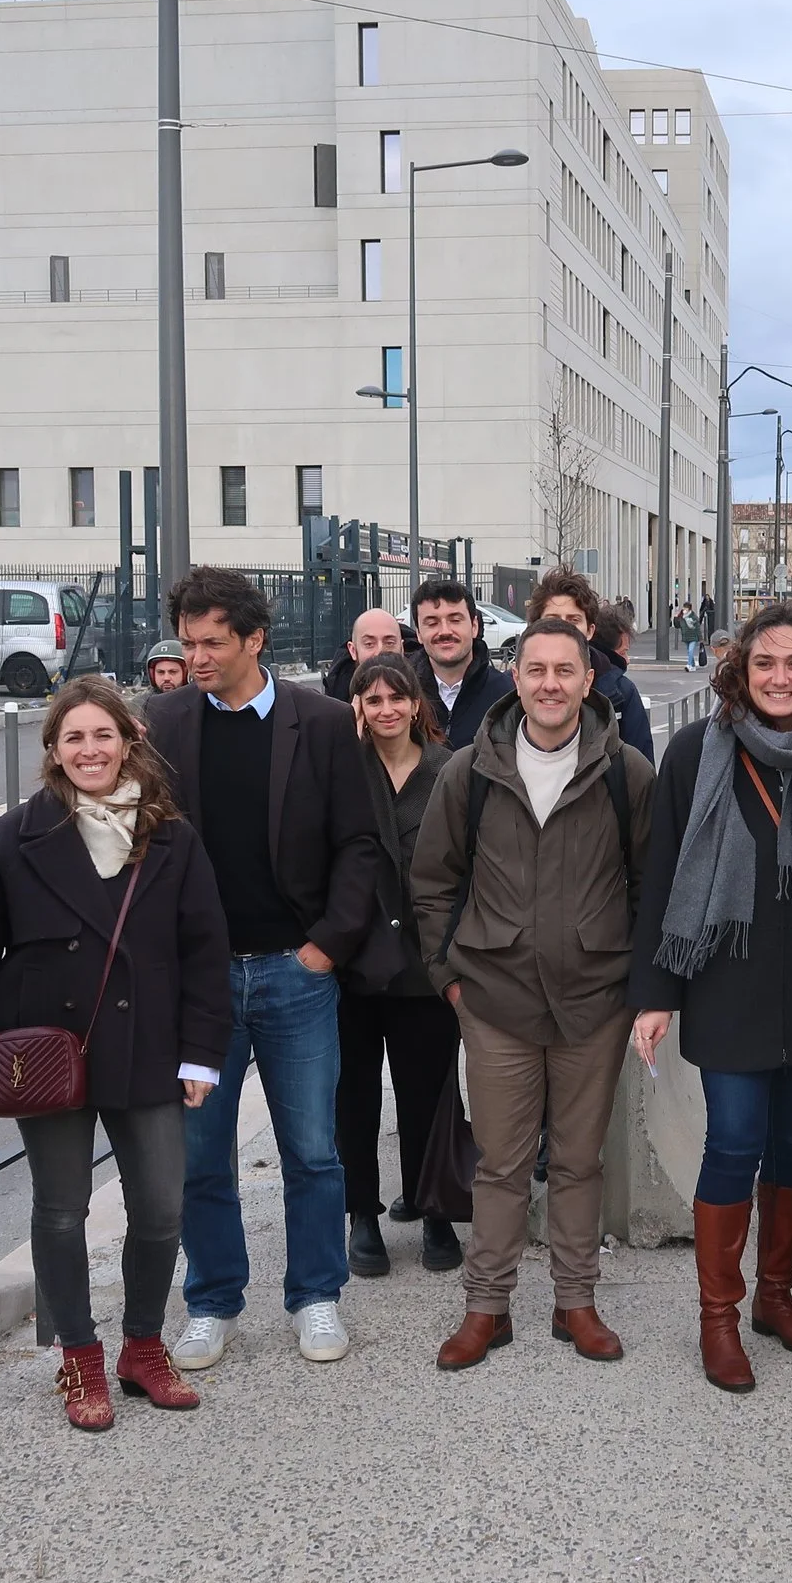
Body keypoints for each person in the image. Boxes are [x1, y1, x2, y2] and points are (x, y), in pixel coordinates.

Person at [0, 676, 229, 1431]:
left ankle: (144, 1345)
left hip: (150, 1048)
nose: (89, 749)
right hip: (48, 1054)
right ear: (53, 750)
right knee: (62, 1209)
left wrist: (203, 1054)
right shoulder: (16, 836)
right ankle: (78, 1355)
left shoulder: (173, 835)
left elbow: (206, 952)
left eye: (102, 735)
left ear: (130, 739)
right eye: (73, 737)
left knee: (163, 1207)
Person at [143, 567, 386, 1372]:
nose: (196, 656)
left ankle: (316, 1295)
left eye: (213, 641)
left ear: (254, 639)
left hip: (295, 973)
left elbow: (360, 843)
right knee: (202, 1153)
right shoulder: (166, 718)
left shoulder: (320, 722)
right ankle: (212, 1301)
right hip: (201, 982)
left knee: (313, 1151)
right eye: (188, 640)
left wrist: (326, 945)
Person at [411, 618, 654, 1370]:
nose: (550, 683)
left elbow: (651, 887)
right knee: (500, 1163)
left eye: (565, 670)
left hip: (593, 997)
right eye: (536, 669)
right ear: (516, 679)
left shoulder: (627, 772)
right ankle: (487, 1307)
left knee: (580, 1160)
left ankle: (576, 1301)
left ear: (589, 681)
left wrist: (639, 987)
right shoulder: (469, 771)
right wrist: (449, 979)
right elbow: (432, 882)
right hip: (495, 998)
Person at [630, 605, 792, 1393]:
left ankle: (773, 1297)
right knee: (733, 1143)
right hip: (726, 981)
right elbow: (662, 872)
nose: (780, 678)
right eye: (766, 664)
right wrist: (655, 993)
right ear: (740, 668)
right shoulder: (698, 750)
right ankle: (717, 1317)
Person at [336, 652, 466, 1278]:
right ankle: (362, 1214)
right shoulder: (342, 770)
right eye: (372, 700)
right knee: (353, 1093)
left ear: (417, 704)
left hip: (424, 959)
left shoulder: (449, 771)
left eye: (396, 698)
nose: (385, 710)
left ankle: (432, 1204)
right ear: (357, 707)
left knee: (428, 1092)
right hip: (355, 958)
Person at [528, 568, 654, 762]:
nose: (564, 629)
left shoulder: (622, 693)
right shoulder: (509, 690)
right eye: (552, 619)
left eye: (574, 620)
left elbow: (641, 776)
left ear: (590, 630)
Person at [411, 576, 514, 749]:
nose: (444, 631)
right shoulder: (402, 695)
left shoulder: (506, 695)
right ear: (419, 634)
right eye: (432, 623)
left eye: (455, 620)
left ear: (474, 626)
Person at [323, 606, 408, 702]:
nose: (380, 651)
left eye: (389, 643)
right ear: (353, 651)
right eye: (369, 644)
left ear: (402, 649)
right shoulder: (336, 702)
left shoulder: (422, 688)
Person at [675, 601, 705, 671]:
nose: (684, 609)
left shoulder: (694, 617)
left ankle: (689, 665)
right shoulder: (681, 617)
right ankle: (693, 665)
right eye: (684, 607)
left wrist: (700, 638)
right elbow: (677, 625)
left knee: (691, 650)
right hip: (686, 637)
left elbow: (697, 628)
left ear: (689, 609)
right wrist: (676, 618)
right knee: (689, 651)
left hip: (693, 636)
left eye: (686, 608)